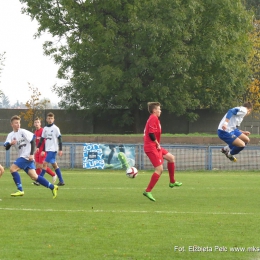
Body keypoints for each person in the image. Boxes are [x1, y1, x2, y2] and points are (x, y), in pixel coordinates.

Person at [4, 115, 58, 198]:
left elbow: (33, 140)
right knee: (34, 176)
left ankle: (20, 190)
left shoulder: (23, 132)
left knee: (12, 169)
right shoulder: (10, 135)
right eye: (16, 123)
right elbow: (6, 147)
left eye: (19, 123)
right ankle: (53, 187)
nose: (18, 124)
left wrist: (31, 154)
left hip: (26, 156)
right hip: (25, 157)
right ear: (12, 124)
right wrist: (10, 143)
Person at [143, 102, 182, 202]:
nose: (160, 111)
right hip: (151, 147)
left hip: (155, 146)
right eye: (159, 109)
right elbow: (151, 134)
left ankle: (172, 182)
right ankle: (147, 191)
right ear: (154, 110)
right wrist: (157, 143)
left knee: (171, 158)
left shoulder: (155, 119)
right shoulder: (153, 118)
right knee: (159, 169)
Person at [36, 112, 65, 186]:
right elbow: (42, 139)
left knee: (44, 163)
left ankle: (39, 180)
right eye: (49, 118)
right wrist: (39, 148)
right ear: (46, 119)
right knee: (55, 165)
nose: (50, 120)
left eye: (51, 118)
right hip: (48, 150)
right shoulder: (45, 128)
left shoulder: (55, 128)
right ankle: (61, 181)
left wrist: (60, 149)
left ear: (54, 119)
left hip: (53, 149)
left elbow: (60, 138)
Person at [32, 117, 57, 186]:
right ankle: (38, 180)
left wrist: (43, 150)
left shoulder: (43, 131)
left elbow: (46, 141)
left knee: (41, 165)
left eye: (38, 122)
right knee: (37, 165)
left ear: (40, 124)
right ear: (34, 124)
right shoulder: (35, 132)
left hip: (43, 150)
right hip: (38, 150)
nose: (36, 124)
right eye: (35, 122)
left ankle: (53, 174)